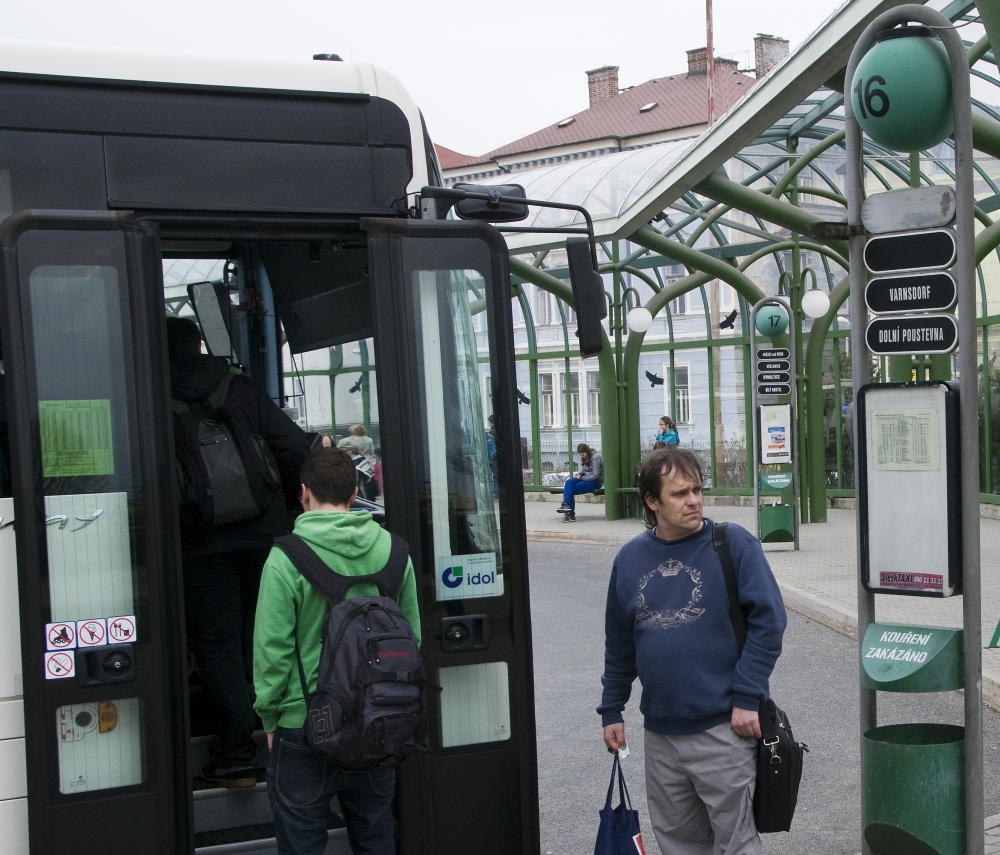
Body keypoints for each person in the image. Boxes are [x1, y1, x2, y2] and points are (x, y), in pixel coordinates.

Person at [598, 447, 786, 855]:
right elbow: (620, 643)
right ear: (652, 501)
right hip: (660, 734)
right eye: (680, 493)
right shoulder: (630, 559)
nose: (694, 501)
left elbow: (769, 623)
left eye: (698, 490)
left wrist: (747, 698)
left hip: (724, 728)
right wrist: (612, 709)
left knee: (737, 844)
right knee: (679, 845)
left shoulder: (732, 544)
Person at [166, 316, 327, 788]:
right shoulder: (239, 387)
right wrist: (283, 507)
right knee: (264, 634)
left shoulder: (149, 394)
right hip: (263, 535)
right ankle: (279, 735)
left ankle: (236, 756)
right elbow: (293, 447)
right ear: (198, 345)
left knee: (216, 647)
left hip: (200, 541)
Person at [254, 446, 421, 855]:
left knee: (302, 843)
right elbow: (412, 639)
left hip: (304, 723)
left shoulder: (285, 558)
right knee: (376, 838)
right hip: (377, 722)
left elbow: (272, 650)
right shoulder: (394, 550)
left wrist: (270, 718)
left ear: (304, 493)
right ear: (354, 494)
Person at [556, 443, 603, 522]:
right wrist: (579, 474)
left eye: (583, 454)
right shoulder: (585, 458)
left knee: (569, 490)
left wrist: (581, 477)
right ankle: (566, 505)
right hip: (584, 478)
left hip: (595, 481)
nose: (582, 456)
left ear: (587, 451)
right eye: (580, 455)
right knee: (569, 482)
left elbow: (596, 475)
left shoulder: (596, 458)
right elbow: (584, 471)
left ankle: (570, 514)